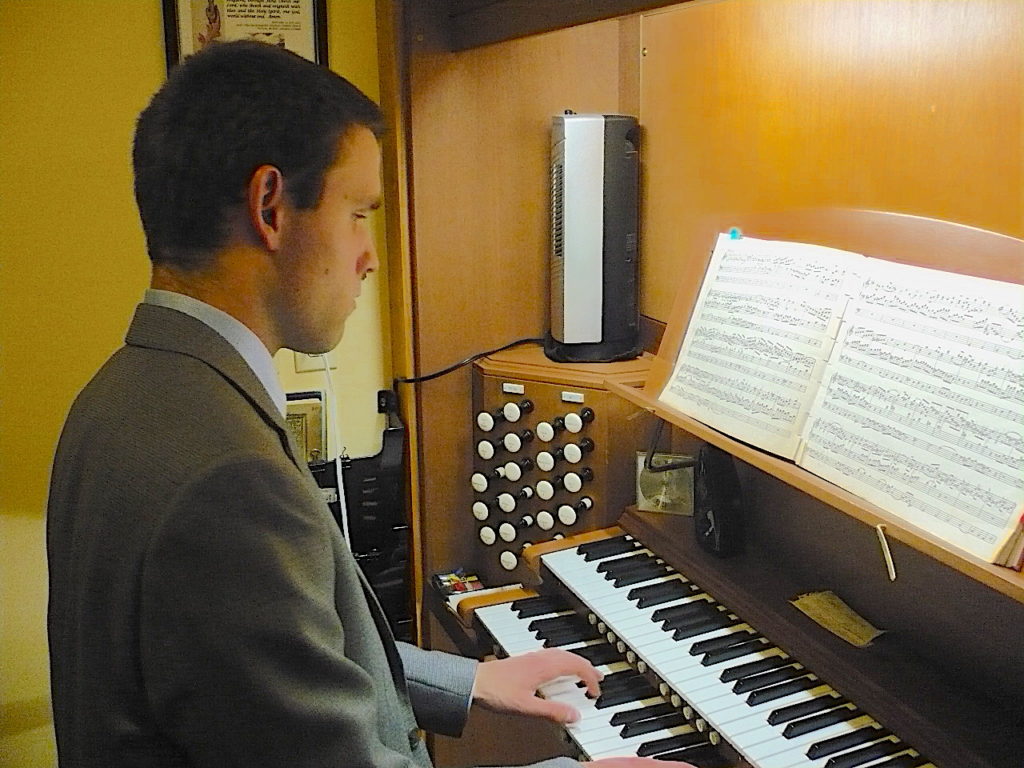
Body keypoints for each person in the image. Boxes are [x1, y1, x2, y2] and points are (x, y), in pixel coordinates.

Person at [46, 40, 698, 768]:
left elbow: (268, 670)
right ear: (271, 207)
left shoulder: (126, 393)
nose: (371, 255)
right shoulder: (227, 476)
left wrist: (469, 678)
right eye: (359, 214)